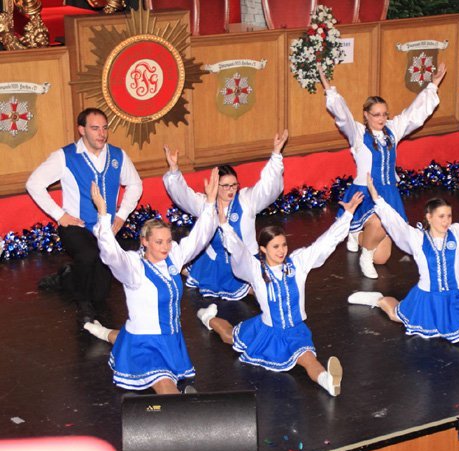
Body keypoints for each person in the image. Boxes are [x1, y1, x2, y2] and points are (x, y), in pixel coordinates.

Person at [347, 166, 459, 366]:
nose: (446, 221)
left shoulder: (458, 235)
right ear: (429, 217)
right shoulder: (417, 239)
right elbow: (395, 224)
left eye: (449, 216)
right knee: (395, 313)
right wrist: (377, 199)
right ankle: (377, 299)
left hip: (454, 300)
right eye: (441, 216)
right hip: (426, 298)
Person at [194, 194, 366, 397]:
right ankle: (208, 317)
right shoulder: (256, 270)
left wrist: (348, 215)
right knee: (228, 336)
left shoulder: (297, 264)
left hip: (295, 331)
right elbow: (239, 251)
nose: (282, 250)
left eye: (284, 245)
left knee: (308, 359)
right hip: (267, 331)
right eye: (275, 246)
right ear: (263, 249)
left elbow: (324, 242)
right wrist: (224, 225)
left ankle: (328, 381)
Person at [82, 166, 220, 394]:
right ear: (144, 241)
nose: (166, 247)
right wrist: (103, 215)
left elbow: (199, 238)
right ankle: (186, 410)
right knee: (165, 384)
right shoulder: (134, 267)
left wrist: (210, 203)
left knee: (122, 337)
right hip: (145, 344)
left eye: (168, 241)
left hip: (170, 340)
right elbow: (111, 255)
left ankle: (103, 331)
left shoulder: (173, 257)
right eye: (159, 242)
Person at [317, 62, 447, 279]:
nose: (381, 119)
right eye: (376, 114)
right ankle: (364, 256)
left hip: (389, 192)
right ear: (366, 115)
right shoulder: (358, 133)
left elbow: (415, 114)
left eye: (384, 114)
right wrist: (328, 87)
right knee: (378, 222)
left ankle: (357, 235)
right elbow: (343, 115)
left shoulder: (392, 130)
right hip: (365, 193)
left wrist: (433, 85)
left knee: (382, 258)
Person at [26, 108, 143, 326]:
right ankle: (82, 303)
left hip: (105, 229)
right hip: (76, 226)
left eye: (105, 128)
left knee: (100, 293)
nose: (102, 134)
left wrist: (121, 215)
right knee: (88, 256)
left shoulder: (118, 156)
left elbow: (135, 184)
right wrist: (60, 215)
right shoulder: (65, 156)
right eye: (95, 128)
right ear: (82, 130)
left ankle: (66, 276)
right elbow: (34, 183)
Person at [162, 131, 287, 300]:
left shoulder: (246, 200)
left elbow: (267, 188)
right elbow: (184, 196)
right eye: (226, 186)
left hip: (243, 260)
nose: (231, 190)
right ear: (216, 185)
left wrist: (276, 155)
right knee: (181, 264)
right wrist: (174, 170)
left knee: (263, 291)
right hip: (215, 260)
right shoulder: (206, 204)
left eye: (234, 185)